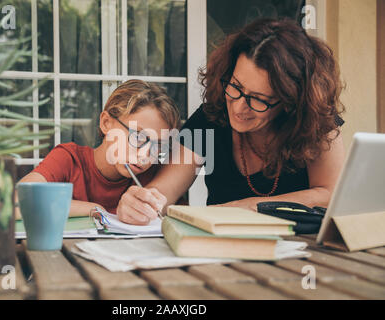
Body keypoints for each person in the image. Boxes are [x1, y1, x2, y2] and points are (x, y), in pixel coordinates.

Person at [116, 18, 346, 225]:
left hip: (305, 250)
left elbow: (329, 194)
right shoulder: (209, 119)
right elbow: (165, 190)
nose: (238, 107)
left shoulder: (316, 122)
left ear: (290, 102)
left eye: (258, 99)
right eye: (235, 86)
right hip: (224, 251)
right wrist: (142, 203)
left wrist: (247, 207)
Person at [17, 80, 180, 224]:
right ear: (106, 123)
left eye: (158, 145)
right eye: (138, 137)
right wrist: (96, 209)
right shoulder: (69, 159)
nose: (145, 156)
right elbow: (17, 201)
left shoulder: (155, 178)